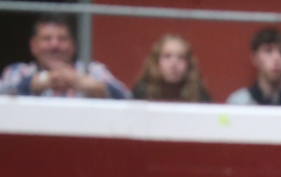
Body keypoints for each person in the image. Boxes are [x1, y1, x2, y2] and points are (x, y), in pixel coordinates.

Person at [0, 14, 129, 99]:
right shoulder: (18, 71)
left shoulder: (93, 71)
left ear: (73, 45)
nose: (55, 45)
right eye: (46, 39)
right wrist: (38, 82)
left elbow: (127, 98)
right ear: (33, 45)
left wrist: (91, 85)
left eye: (62, 39)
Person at [131, 34, 212, 102]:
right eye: (167, 56)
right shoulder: (142, 92)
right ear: (156, 61)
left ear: (189, 64)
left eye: (181, 57)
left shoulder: (199, 95)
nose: (173, 64)